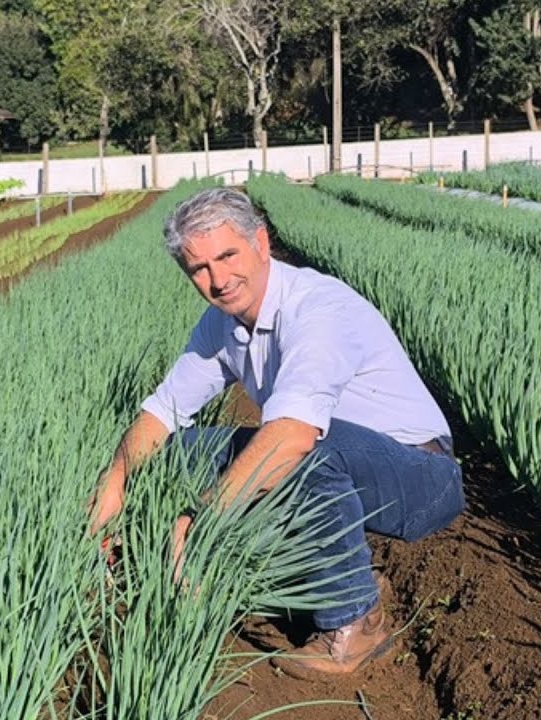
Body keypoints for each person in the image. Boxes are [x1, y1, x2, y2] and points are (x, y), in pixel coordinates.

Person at [87, 187, 464, 678]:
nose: (218, 279)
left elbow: (291, 438)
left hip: (419, 476)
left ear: (261, 243)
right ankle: (150, 558)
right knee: (180, 451)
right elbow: (164, 411)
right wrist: (113, 483)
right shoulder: (220, 325)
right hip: (343, 463)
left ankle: (353, 623)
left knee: (298, 451)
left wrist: (199, 521)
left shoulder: (318, 309)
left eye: (227, 255)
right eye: (199, 269)